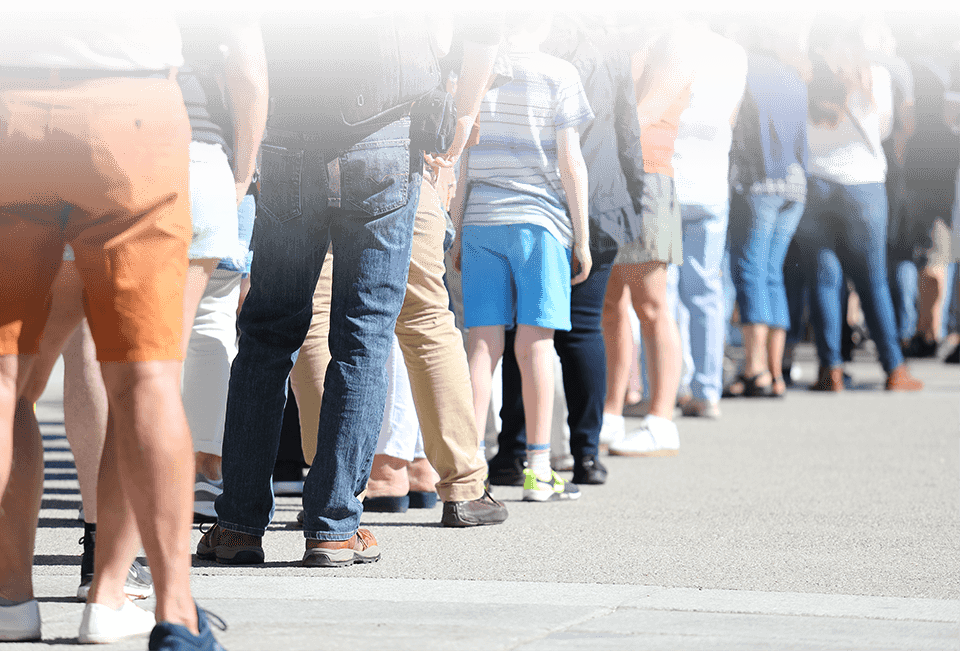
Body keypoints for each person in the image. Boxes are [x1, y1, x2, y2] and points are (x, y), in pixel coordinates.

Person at [199, 11, 506, 567]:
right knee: (364, 339)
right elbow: (486, 25)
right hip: (387, 134)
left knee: (268, 338)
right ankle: (334, 527)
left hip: (288, 133)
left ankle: (239, 525)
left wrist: (245, 141)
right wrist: (463, 113)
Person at [0, 10, 233, 650]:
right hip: (130, 104)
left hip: (9, 97)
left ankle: (10, 600)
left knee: (3, 378)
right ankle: (173, 614)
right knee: (147, 376)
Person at [489, 12, 646, 487]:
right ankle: (587, 454)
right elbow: (628, 130)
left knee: (525, 329)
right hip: (599, 199)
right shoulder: (612, 48)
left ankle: (512, 453)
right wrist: (634, 199)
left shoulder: (517, 41)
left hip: (525, 199)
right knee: (582, 330)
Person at [453, 10, 594, 501]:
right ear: (544, 21)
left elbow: (463, 157)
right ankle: (538, 467)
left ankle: (466, 470)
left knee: (481, 346)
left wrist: (456, 228)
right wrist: (582, 236)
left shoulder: (475, 70)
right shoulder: (560, 74)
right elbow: (571, 161)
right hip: (539, 221)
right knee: (536, 345)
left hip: (480, 220)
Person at [793, 13, 923, 392]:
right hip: (864, 187)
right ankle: (894, 370)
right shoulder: (876, 75)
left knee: (824, 279)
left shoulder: (806, 75)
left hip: (816, 183)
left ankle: (830, 369)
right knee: (873, 280)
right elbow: (883, 130)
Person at [601, 11, 690, 457]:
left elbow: (646, 111)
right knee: (610, 305)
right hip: (608, 178)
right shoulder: (623, 35)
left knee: (652, 305)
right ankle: (611, 415)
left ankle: (661, 421)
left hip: (648, 176)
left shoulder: (679, 39)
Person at [723, 12, 811, 400]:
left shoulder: (741, 68)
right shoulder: (792, 75)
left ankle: (756, 369)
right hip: (795, 181)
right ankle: (776, 371)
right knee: (772, 273)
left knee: (750, 272)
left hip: (758, 180)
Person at [666, 12, 747, 418]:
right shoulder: (734, 54)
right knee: (706, 293)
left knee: (664, 295)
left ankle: (665, 388)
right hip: (713, 182)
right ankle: (707, 390)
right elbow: (728, 118)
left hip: (670, 178)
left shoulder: (669, 44)